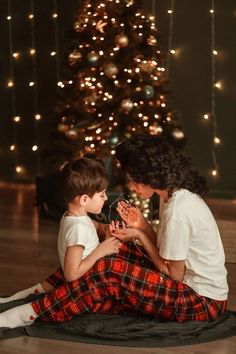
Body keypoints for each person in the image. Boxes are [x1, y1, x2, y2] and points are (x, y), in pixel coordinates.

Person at [0, 134, 228, 328]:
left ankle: (32, 312)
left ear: (150, 177)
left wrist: (139, 235)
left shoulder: (179, 210)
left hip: (202, 302)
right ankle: (34, 293)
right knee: (116, 251)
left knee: (109, 268)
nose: (131, 186)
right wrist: (141, 225)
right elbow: (167, 253)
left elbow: (174, 274)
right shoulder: (170, 196)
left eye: (134, 180)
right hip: (186, 287)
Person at [0, 157, 120, 328]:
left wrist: (104, 229)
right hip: (81, 280)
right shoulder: (78, 228)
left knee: (50, 282)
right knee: (53, 303)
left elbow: (92, 226)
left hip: (82, 269)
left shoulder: (73, 216)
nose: (106, 198)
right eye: (102, 195)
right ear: (84, 199)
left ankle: (11, 300)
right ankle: (15, 315)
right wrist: (102, 250)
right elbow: (72, 274)